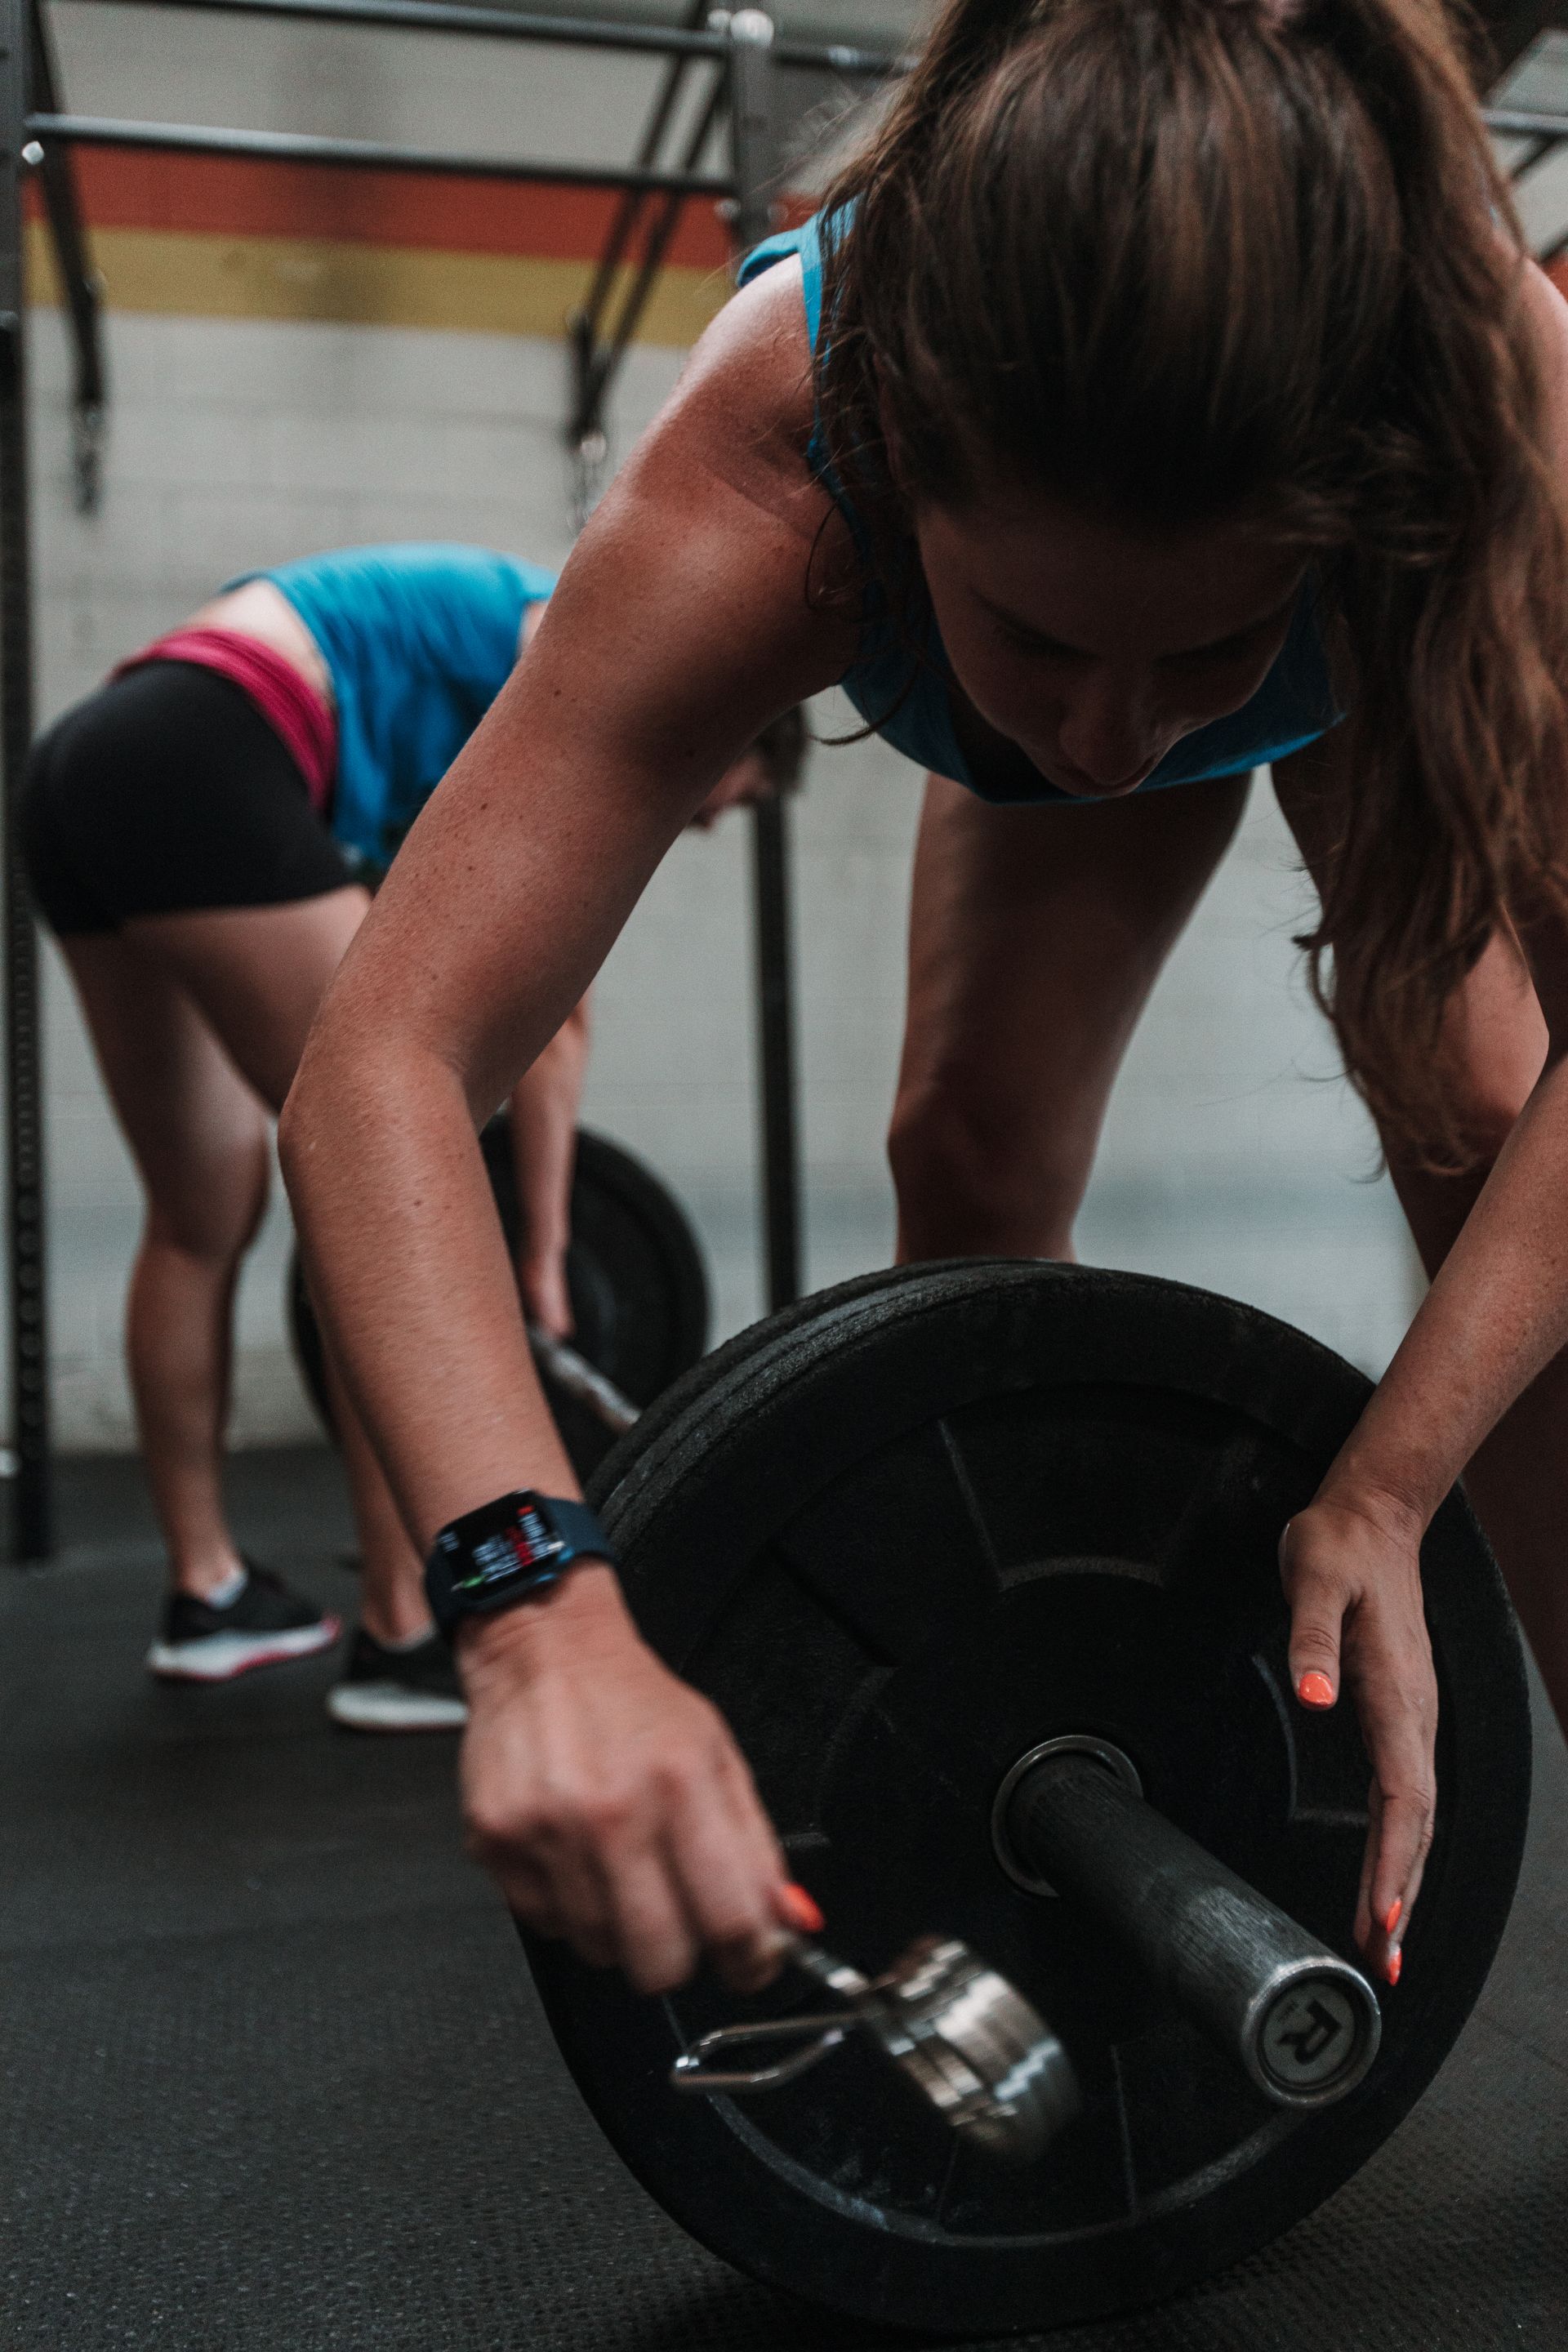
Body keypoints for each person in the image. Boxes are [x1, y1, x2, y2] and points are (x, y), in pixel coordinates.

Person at [282, 0, 1568, 2002]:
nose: (1113, 743)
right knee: (965, 1150)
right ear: (900, 463)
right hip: (1100, 530)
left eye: (1202, 650)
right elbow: (384, 1061)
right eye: (1037, 636)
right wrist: (537, 1616)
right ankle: (995, 1725)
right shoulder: (778, 448)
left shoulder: (1499, 410)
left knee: (1477, 1122)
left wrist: (1390, 1490)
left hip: (1385, 607)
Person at [22, 542, 803, 1726]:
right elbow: (555, 1023)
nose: (697, 823)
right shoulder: (594, 642)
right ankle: (402, 1627)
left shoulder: (436, 740)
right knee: (383, 1180)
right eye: (723, 801)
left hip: (89, 766)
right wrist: (542, 1252)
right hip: (211, 744)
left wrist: (536, 1241)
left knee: (201, 1211)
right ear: (738, 734)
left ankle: (209, 1595)